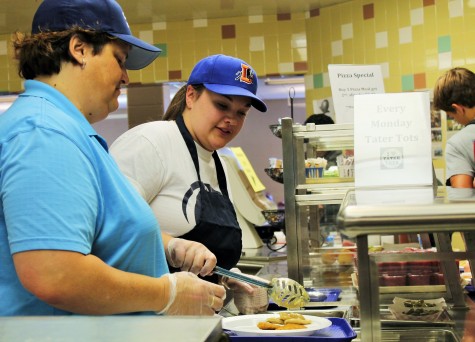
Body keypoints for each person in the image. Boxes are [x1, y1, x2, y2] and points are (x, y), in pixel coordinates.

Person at [0, 0, 225, 316]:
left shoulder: (69, 131)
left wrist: (167, 246)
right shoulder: (43, 132)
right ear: (80, 49)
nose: (126, 78)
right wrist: (168, 293)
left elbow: (93, 231)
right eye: (119, 60)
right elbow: (56, 275)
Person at [110, 54, 269, 314]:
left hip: (195, 328)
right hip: (142, 322)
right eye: (221, 105)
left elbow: (204, 265)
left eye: (241, 112)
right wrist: (171, 245)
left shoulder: (219, 163)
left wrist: (229, 278)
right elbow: (112, 225)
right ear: (191, 96)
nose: (232, 119)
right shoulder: (151, 142)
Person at [433, 67, 475, 188]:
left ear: (458, 109)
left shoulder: (457, 144)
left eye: (451, 116)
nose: (455, 120)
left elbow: (462, 199)